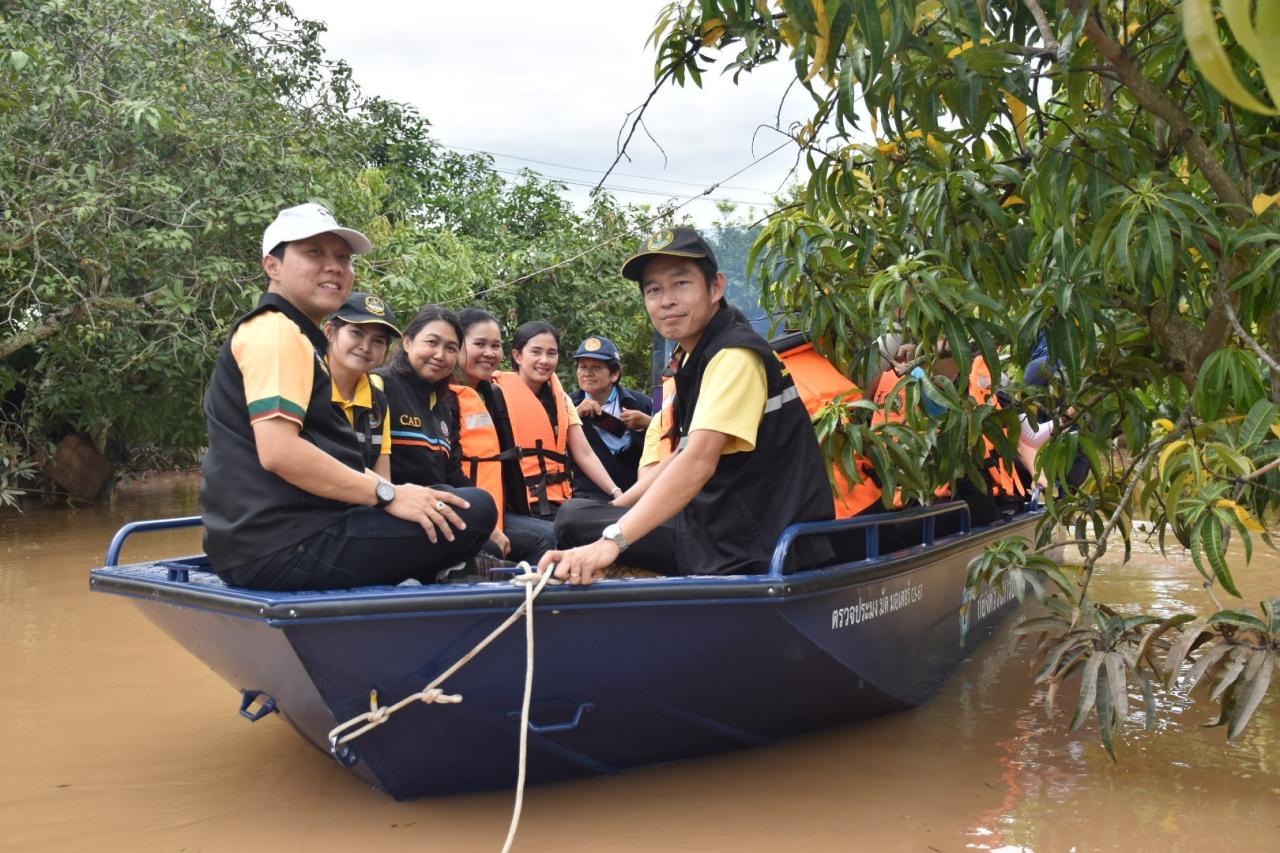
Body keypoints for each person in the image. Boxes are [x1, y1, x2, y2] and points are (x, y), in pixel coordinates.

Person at [200, 203, 496, 591]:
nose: (334, 267)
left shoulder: (299, 339)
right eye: (314, 253)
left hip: (277, 538)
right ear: (273, 265)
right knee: (475, 509)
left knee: (441, 500)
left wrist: (399, 493)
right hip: (283, 545)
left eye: (343, 258)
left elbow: (323, 453)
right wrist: (388, 493)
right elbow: (279, 452)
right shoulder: (276, 331)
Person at [542, 228, 834, 584]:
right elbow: (679, 457)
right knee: (580, 513)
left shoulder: (735, 356)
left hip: (749, 542)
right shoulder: (699, 357)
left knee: (575, 521)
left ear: (716, 287)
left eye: (681, 284)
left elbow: (697, 461)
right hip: (723, 526)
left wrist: (612, 540)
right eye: (654, 290)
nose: (666, 300)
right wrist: (614, 511)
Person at [374, 305, 512, 561]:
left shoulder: (442, 403)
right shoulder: (380, 386)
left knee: (484, 509)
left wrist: (491, 526)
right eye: (432, 343)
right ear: (407, 342)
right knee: (484, 531)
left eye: (451, 348)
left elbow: (452, 472)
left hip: (434, 510)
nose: (440, 355)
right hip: (393, 509)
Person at [452, 308, 556, 563]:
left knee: (551, 534)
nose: (489, 353)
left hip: (495, 510)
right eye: (479, 344)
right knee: (542, 538)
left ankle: (530, 599)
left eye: (495, 346)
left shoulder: (492, 396)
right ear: (457, 346)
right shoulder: (443, 396)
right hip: (460, 511)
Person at [493, 321, 623, 519]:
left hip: (559, 501)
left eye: (551, 353)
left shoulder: (562, 399)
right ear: (517, 356)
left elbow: (585, 453)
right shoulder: (496, 394)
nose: (544, 360)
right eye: (536, 352)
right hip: (516, 502)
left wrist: (615, 492)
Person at [325, 292, 398, 481]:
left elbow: (383, 477)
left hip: (358, 504)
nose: (365, 346)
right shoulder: (308, 382)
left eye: (378, 341)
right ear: (330, 332)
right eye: (357, 333)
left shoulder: (377, 401)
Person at [569, 335, 653, 501]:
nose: (587, 373)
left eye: (596, 367)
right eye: (582, 366)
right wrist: (574, 416)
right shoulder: (567, 405)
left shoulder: (641, 403)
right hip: (586, 497)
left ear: (614, 374)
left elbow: (670, 441)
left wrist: (650, 424)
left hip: (636, 495)